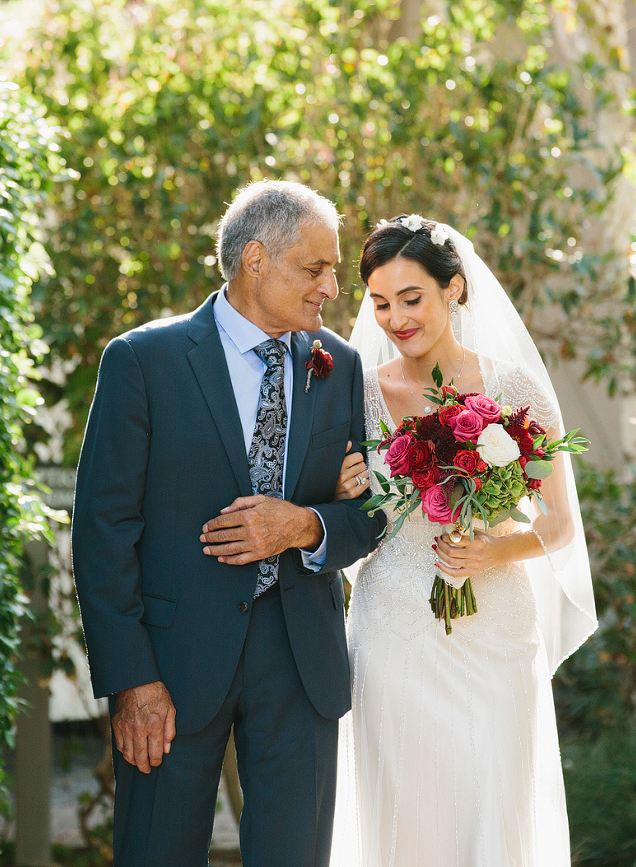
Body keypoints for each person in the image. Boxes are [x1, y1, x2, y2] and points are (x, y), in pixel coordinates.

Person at [71, 180, 385, 867]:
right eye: (315, 267)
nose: (331, 285)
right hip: (171, 666)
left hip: (301, 661)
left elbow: (369, 513)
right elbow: (102, 530)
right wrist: (132, 681)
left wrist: (302, 525)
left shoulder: (340, 366)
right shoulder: (141, 362)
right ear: (254, 260)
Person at [328, 215, 598, 866]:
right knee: (406, 816)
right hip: (392, 626)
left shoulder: (514, 390)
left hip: (493, 633)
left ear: (452, 290)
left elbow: (559, 522)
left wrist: (495, 550)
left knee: (489, 803)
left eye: (411, 298)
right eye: (380, 303)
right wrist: (341, 490)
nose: (395, 318)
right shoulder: (356, 393)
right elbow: (345, 519)